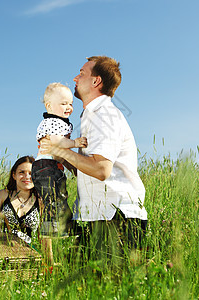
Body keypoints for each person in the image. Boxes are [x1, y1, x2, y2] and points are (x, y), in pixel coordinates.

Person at [40, 56, 148, 270]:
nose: (75, 78)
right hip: (95, 217)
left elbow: (101, 169)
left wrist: (61, 150)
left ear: (96, 82)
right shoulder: (91, 115)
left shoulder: (104, 115)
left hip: (115, 219)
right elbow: (90, 168)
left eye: (81, 73)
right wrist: (65, 159)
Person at [31, 83, 87, 264]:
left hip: (53, 167)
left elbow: (62, 155)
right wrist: (76, 143)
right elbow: (56, 142)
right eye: (64, 103)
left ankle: (64, 225)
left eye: (70, 104)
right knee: (51, 199)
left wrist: (74, 168)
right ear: (49, 106)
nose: (69, 108)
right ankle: (50, 229)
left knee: (60, 196)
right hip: (46, 166)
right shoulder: (51, 122)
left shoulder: (60, 122)